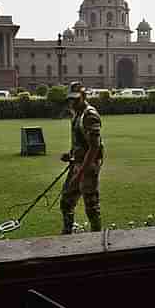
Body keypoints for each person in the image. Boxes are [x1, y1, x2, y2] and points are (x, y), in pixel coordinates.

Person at [59, 81, 104, 234]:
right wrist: (70, 155)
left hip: (88, 166)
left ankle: (97, 237)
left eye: (76, 99)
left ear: (83, 96)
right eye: (70, 99)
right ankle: (67, 234)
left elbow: (94, 147)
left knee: (91, 205)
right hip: (76, 164)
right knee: (66, 201)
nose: (72, 102)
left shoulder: (89, 115)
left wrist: (81, 173)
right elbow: (80, 141)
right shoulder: (77, 114)